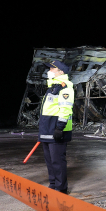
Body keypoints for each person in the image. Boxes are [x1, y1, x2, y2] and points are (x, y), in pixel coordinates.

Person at [39, 60, 74, 194]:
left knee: (57, 161)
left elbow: (65, 109)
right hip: (47, 130)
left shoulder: (65, 88)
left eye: (52, 69)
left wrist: (59, 128)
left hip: (57, 130)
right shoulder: (52, 88)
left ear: (61, 72)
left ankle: (61, 188)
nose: (49, 71)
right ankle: (53, 184)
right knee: (50, 161)